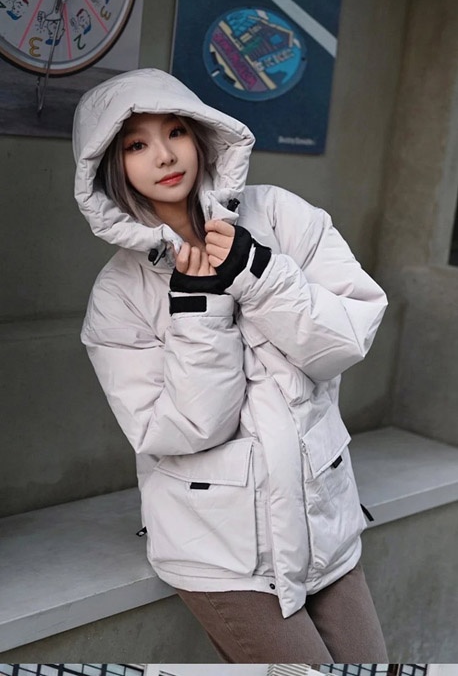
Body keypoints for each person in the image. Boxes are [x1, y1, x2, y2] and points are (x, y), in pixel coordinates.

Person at [74, 67, 389, 663]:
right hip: (219, 552)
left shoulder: (283, 217)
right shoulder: (117, 295)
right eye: (137, 145)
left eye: (176, 132)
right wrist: (198, 314)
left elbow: (345, 341)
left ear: (202, 135)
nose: (165, 156)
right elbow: (182, 430)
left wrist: (260, 274)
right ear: (111, 168)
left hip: (324, 523)